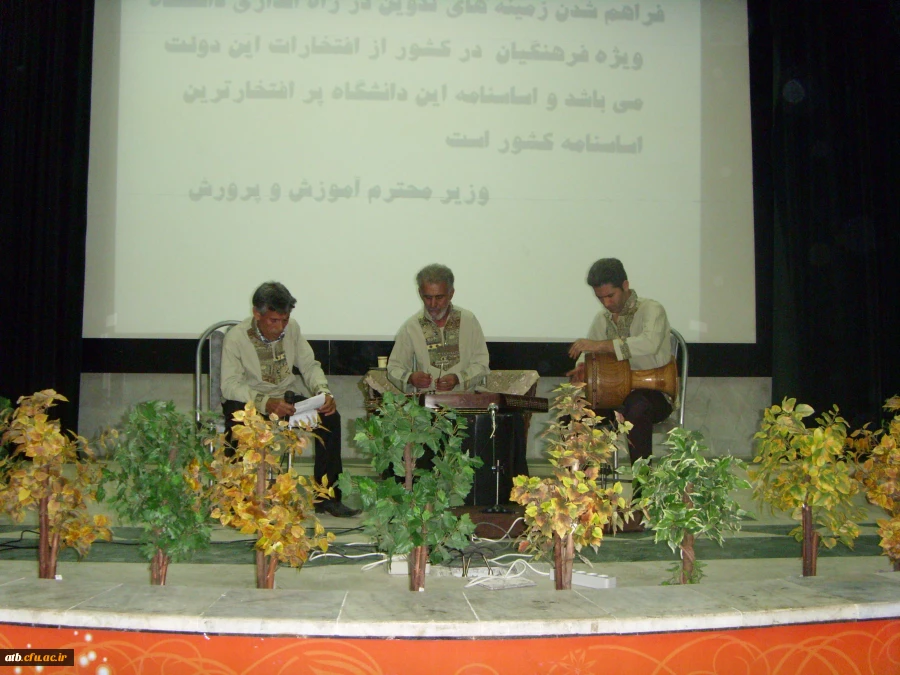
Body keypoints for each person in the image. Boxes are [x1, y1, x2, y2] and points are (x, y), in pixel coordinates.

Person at [221, 281, 359, 517]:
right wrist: (265, 402)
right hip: (253, 403)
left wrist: (323, 391)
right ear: (257, 313)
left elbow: (309, 364)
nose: (280, 327)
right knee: (235, 419)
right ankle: (237, 499)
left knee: (330, 417)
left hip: (286, 401)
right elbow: (230, 385)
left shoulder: (292, 329)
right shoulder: (236, 338)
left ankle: (327, 497)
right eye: (274, 321)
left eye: (284, 320)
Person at [567, 258, 673, 491]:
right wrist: (584, 368)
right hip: (613, 396)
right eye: (600, 298)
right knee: (575, 415)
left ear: (625, 285)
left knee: (637, 407)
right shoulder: (601, 319)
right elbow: (590, 355)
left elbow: (649, 344)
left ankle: (643, 493)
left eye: (610, 296)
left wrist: (601, 346)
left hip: (654, 393)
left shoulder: (651, 309)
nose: (606, 303)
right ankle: (579, 493)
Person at [387, 263, 490, 393]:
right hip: (426, 408)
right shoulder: (412, 327)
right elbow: (394, 368)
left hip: (465, 403)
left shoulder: (468, 321)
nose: (433, 304)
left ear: (451, 293)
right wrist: (410, 378)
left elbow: (481, 364)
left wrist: (458, 379)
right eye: (428, 297)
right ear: (420, 293)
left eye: (439, 297)